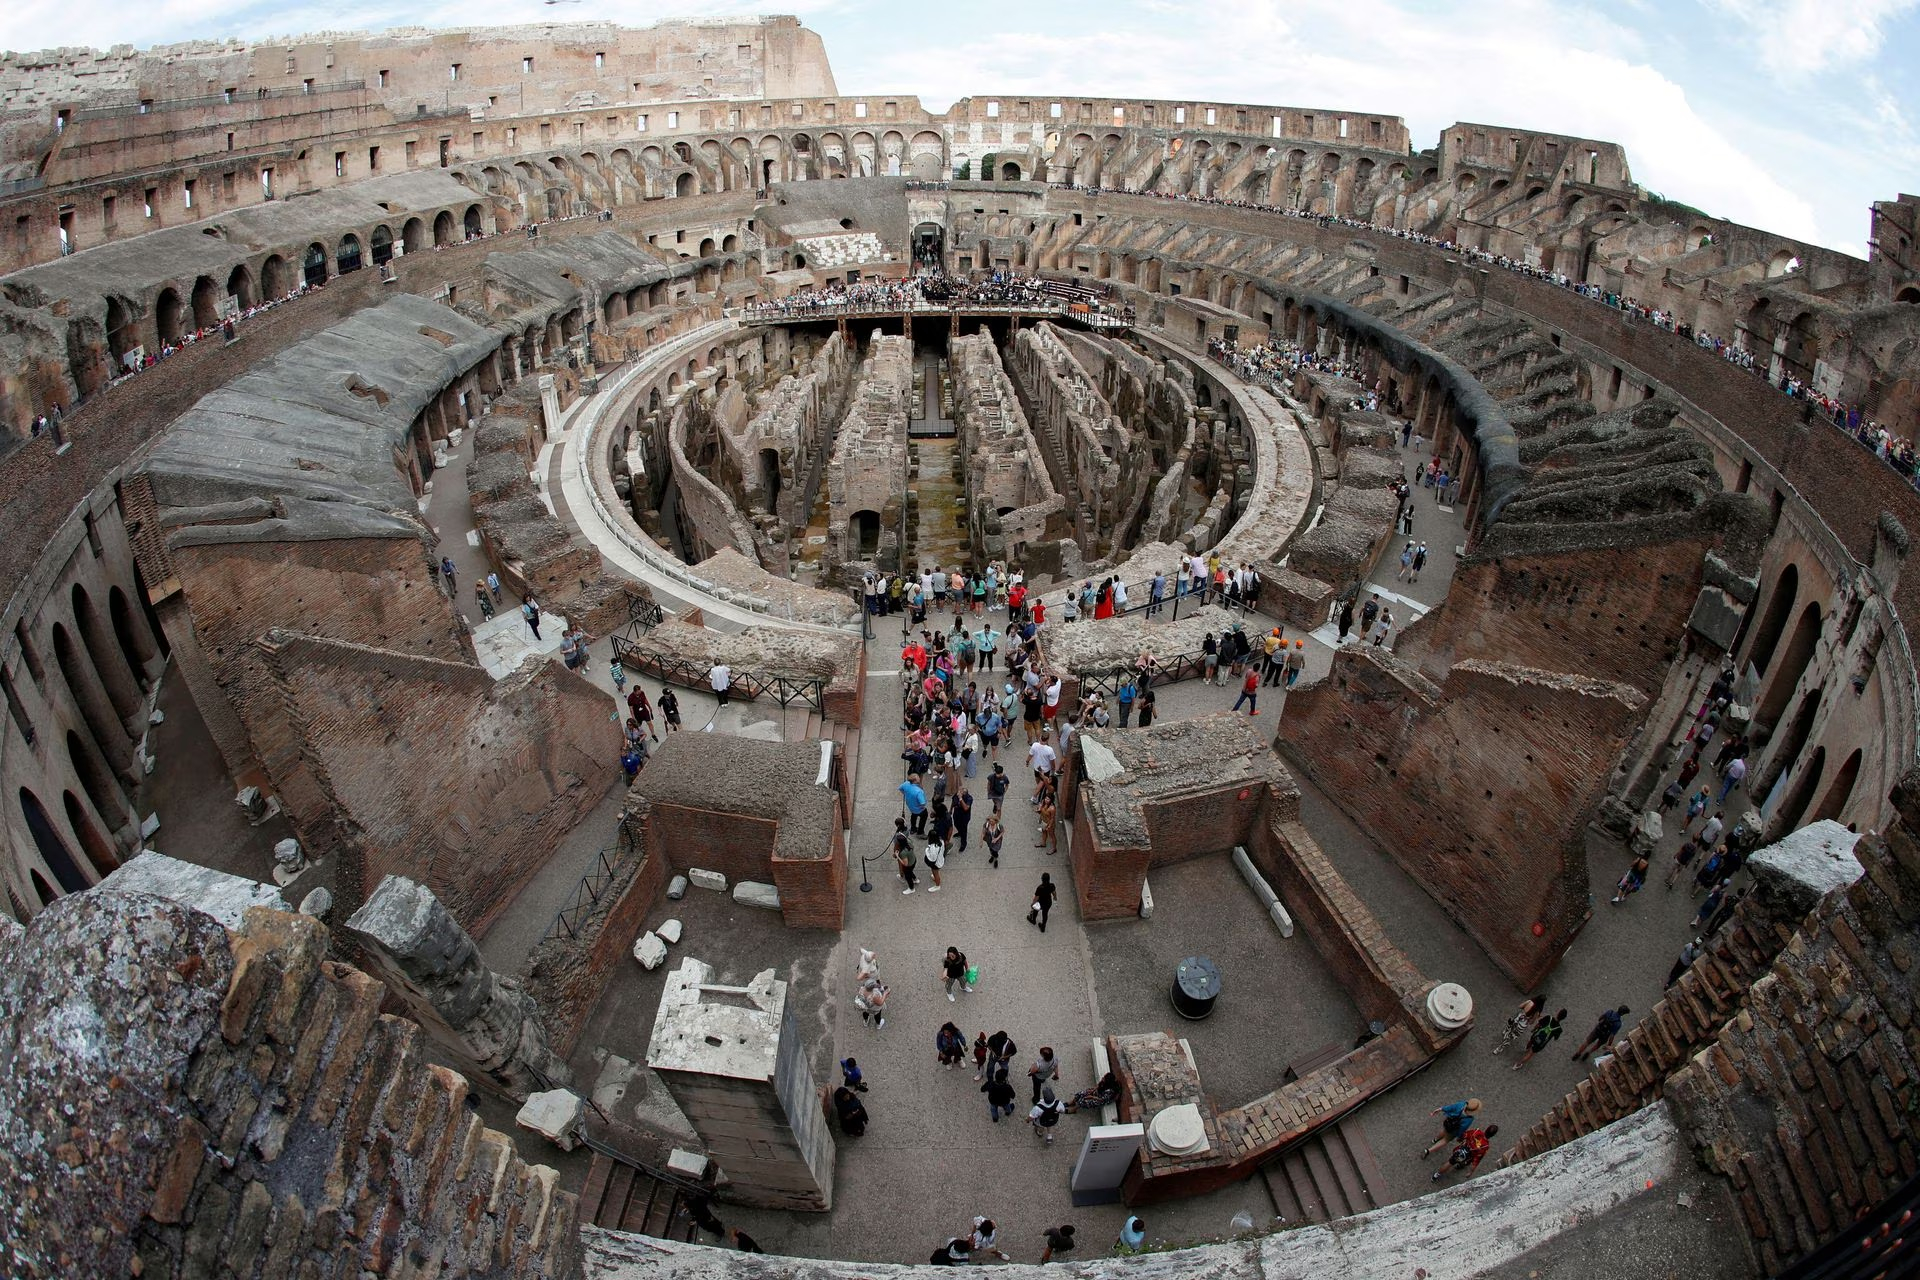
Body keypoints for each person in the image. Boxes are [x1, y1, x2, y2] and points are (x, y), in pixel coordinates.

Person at [1430, 1124, 1498, 1183]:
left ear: (1486, 1129)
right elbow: (1477, 1159)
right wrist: (1471, 1172)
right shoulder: (1485, 1146)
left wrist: (1460, 1139)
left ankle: (1436, 1175)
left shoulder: (1476, 1132)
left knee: (1450, 1162)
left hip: (1460, 1151)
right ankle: (1459, 1166)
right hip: (1468, 1157)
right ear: (1493, 1135)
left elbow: (1465, 1135)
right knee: (1464, 1162)